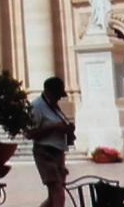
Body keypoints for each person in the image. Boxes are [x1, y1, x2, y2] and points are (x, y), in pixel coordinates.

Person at [27, 77, 75, 207]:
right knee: (58, 191)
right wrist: (54, 127)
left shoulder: (54, 107)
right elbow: (30, 133)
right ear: (48, 92)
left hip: (58, 152)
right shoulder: (37, 106)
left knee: (54, 196)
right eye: (56, 95)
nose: (59, 98)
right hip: (45, 152)